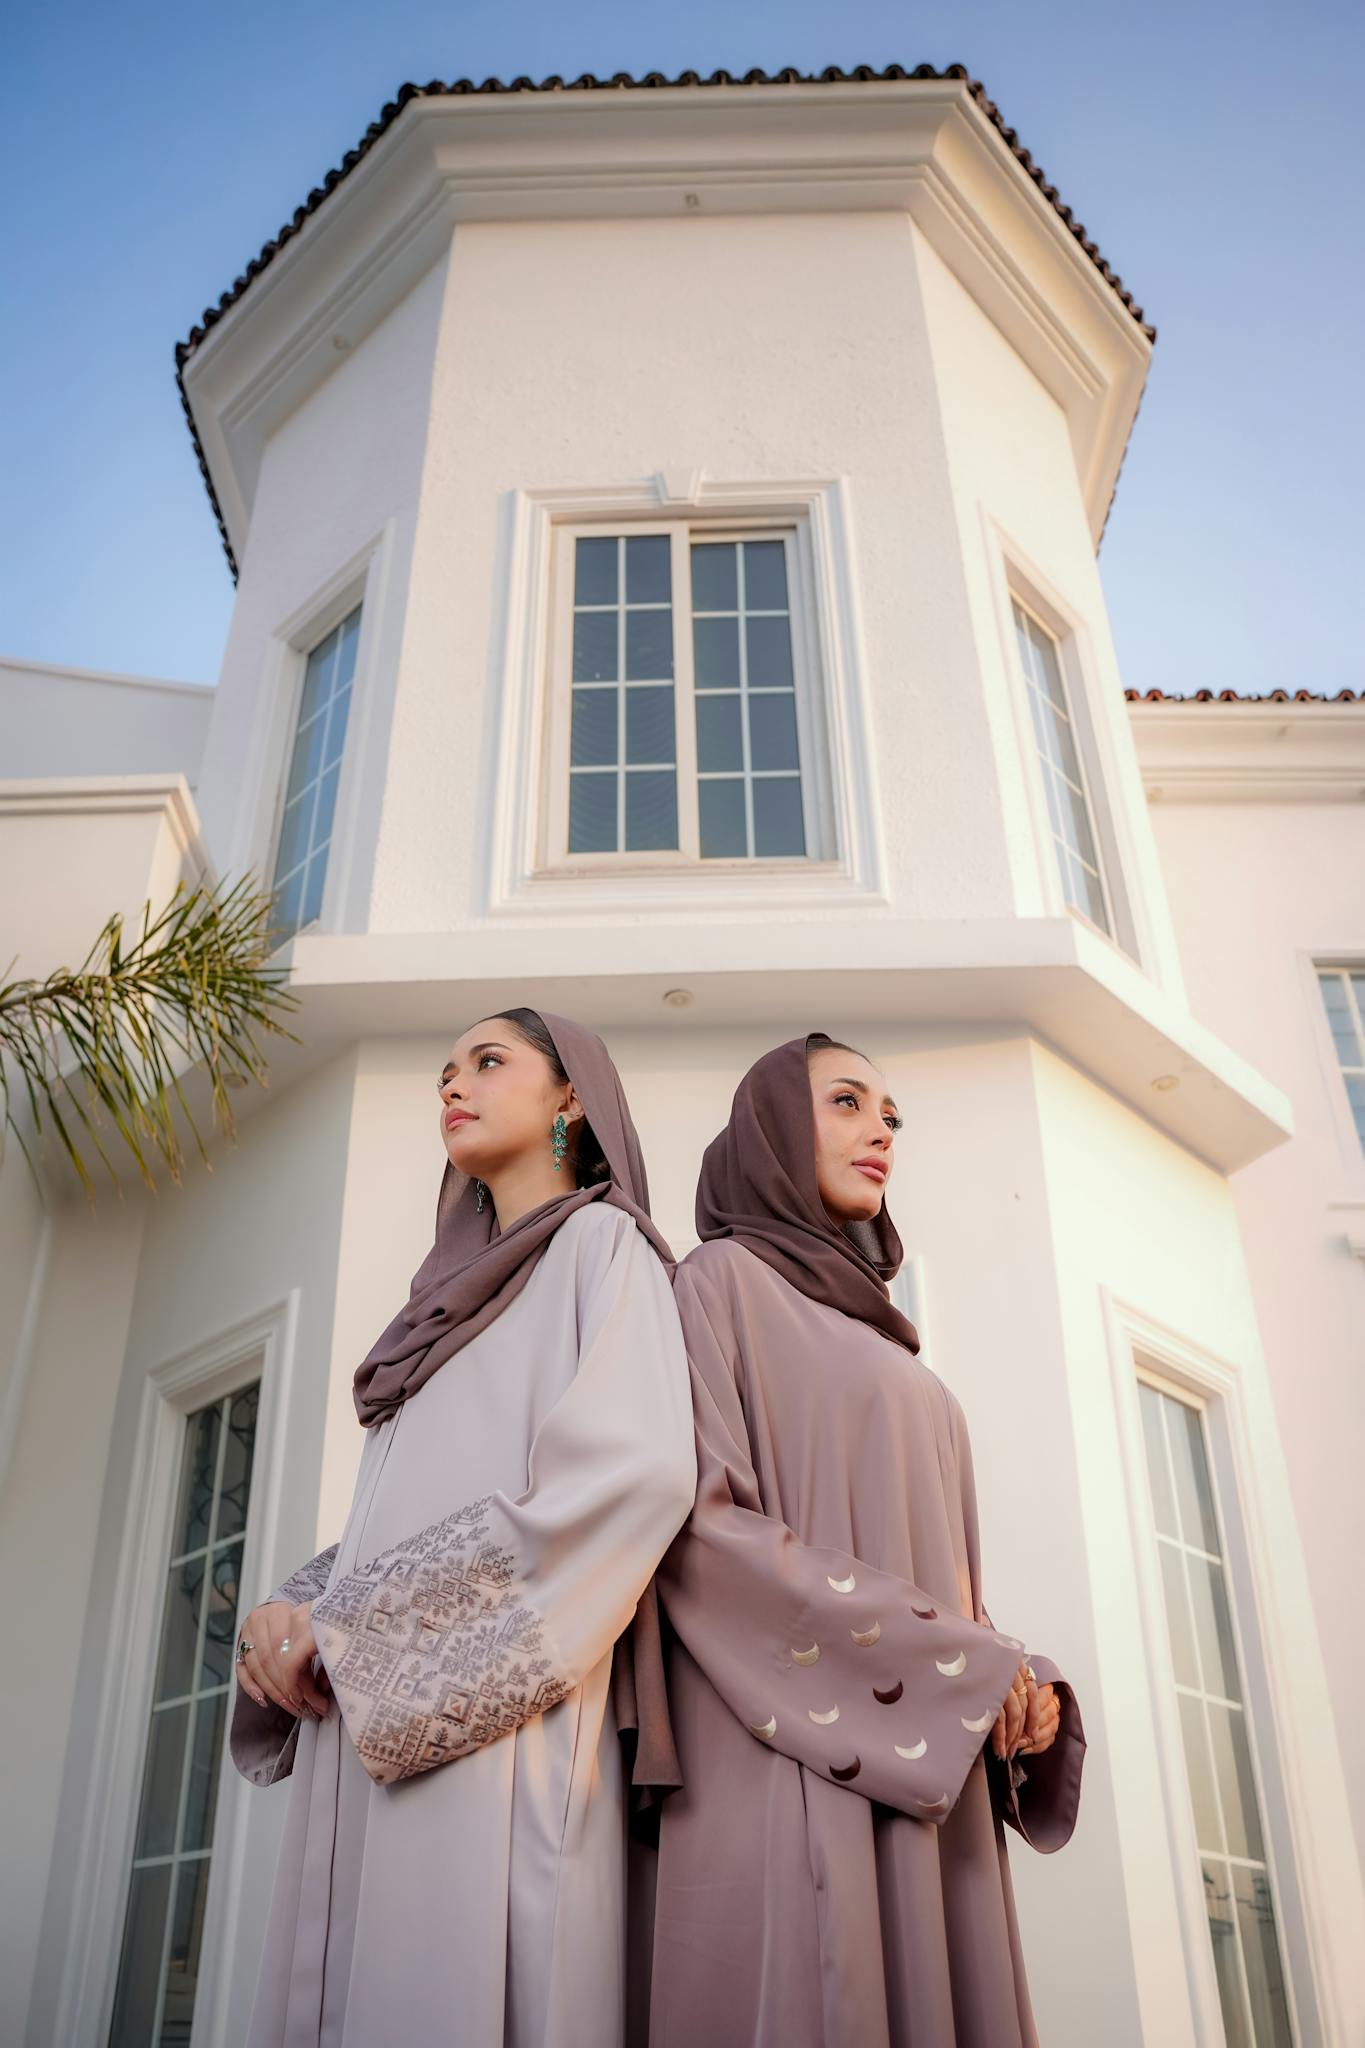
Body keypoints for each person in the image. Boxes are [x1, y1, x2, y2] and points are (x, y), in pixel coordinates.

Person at [229, 1008, 696, 2048]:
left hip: (497, 1730)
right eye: (445, 1068)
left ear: (571, 1095)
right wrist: (295, 1607)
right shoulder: (434, 1314)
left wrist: (368, 1642)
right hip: (370, 1715)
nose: (455, 1083)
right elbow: (388, 1525)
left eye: (490, 1061)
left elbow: (634, 1478)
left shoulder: (602, 1247)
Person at [648, 1032, 1085, 2048]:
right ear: (772, 1126)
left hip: (936, 1758)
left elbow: (952, 1590)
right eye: (847, 1101)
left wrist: (1019, 1688)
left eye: (891, 1114)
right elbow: (703, 1537)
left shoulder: (897, 1345)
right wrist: (965, 1669)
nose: (880, 1129)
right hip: (788, 1743)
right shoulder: (715, 1284)